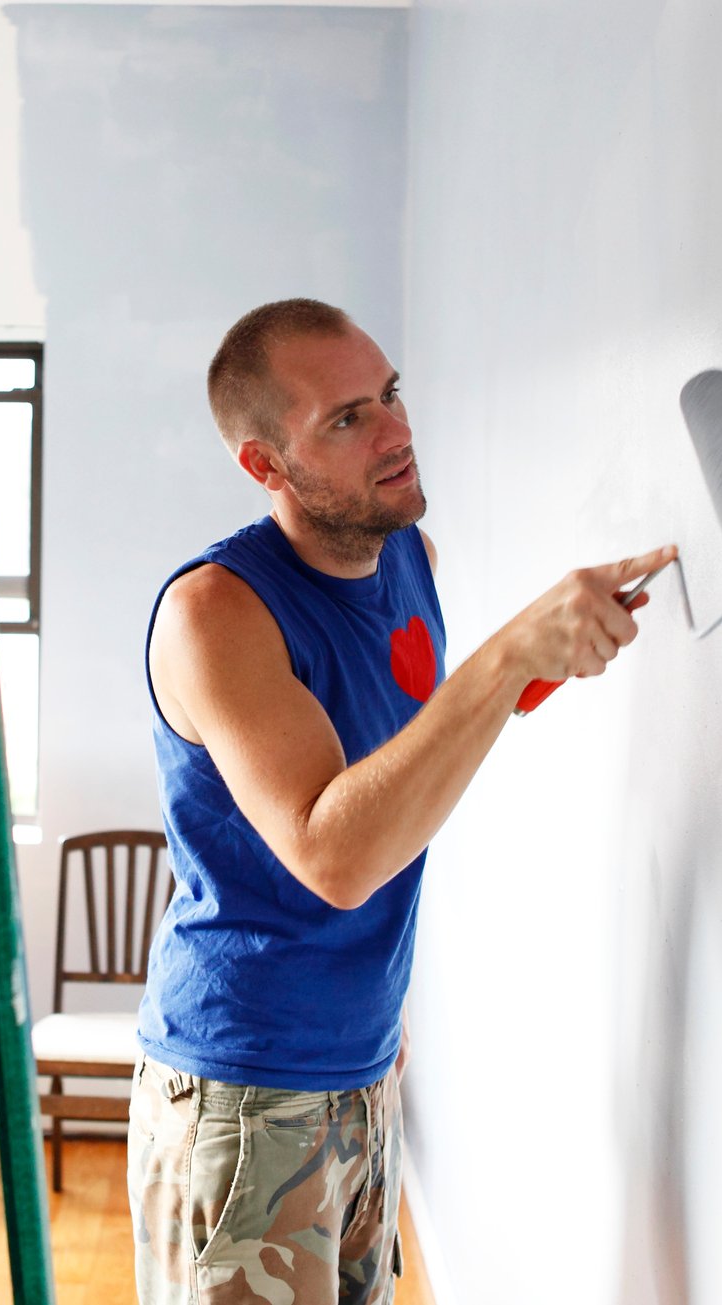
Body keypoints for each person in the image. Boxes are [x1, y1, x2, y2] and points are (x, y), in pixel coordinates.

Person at [130, 297, 675, 1303]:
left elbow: (400, 761)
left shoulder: (407, 565)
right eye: (345, 419)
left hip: (362, 1064)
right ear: (264, 465)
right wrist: (508, 654)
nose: (395, 432)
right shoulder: (217, 614)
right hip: (243, 1088)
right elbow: (331, 856)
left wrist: (536, 667)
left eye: (388, 396)